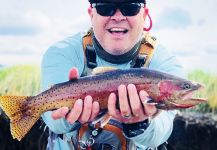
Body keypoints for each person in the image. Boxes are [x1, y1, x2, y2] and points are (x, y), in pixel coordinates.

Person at [41, 0, 184, 149]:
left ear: (144, 15)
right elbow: (54, 123)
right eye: (105, 8)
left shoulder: (167, 65)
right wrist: (69, 115)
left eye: (130, 8)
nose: (118, 17)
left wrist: (139, 123)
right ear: (91, 15)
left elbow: (161, 132)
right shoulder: (61, 53)